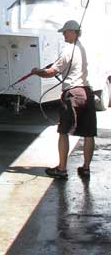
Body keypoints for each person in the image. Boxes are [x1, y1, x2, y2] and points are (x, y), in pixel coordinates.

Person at [31, 19, 96, 180]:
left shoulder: (68, 50)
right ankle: (86, 168)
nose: (63, 34)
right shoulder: (82, 48)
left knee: (63, 132)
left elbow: (52, 72)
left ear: (74, 32)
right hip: (86, 93)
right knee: (89, 134)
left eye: (65, 32)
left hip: (72, 94)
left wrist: (37, 71)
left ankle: (61, 169)